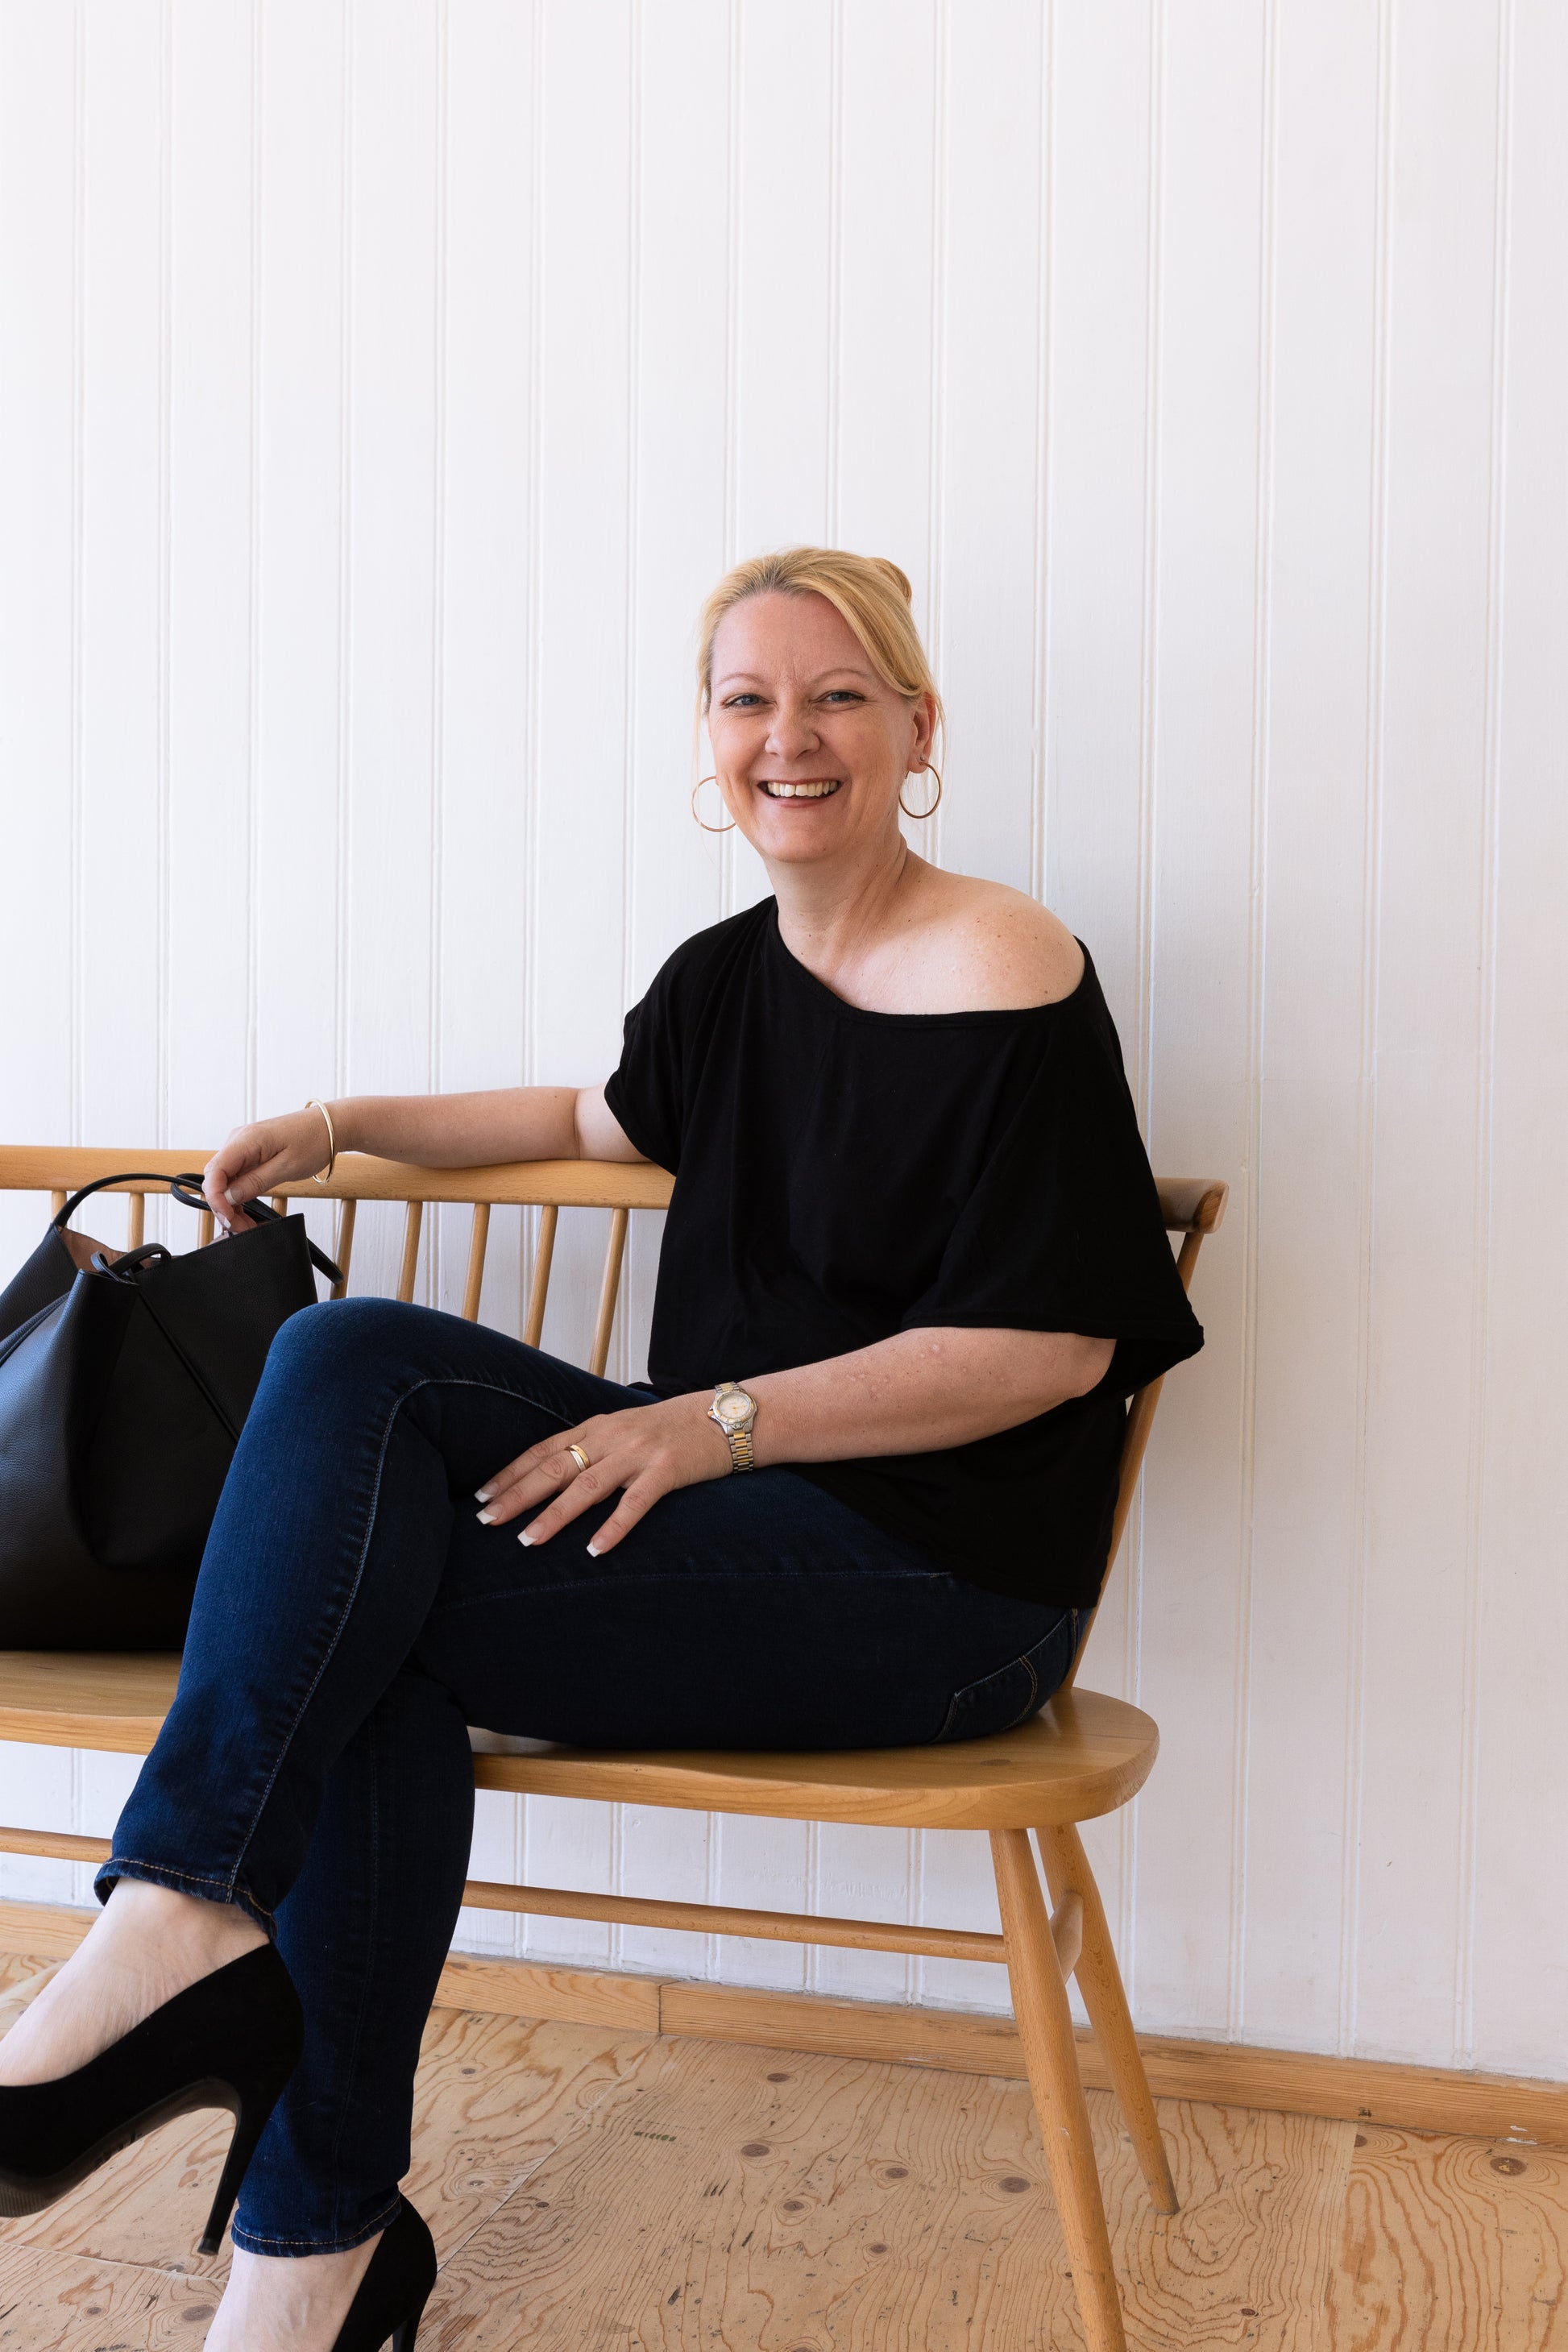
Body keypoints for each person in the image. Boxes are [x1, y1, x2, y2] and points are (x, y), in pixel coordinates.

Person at [0, 548, 1201, 2350]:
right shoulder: (723, 981)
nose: (786, 737)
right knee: (359, 1511)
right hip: (729, 1542)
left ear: (917, 727)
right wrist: (336, 1123)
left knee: (357, 1465)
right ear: (707, 740)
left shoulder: (1004, 962)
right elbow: (579, 1113)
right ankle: (303, 2244)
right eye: (745, 699)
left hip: (940, 1585)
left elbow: (1049, 1345)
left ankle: (190, 1962)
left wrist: (714, 1424)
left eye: (836, 695)